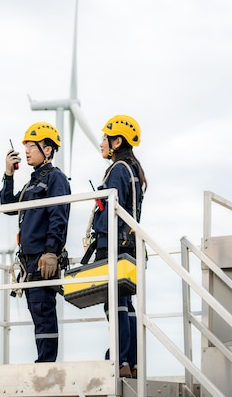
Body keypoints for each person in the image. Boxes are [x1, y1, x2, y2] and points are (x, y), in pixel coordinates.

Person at [0, 121, 71, 363]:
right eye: (26, 146)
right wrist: (8, 174)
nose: (27, 150)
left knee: (43, 311)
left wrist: (51, 251)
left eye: (32, 145)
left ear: (48, 149)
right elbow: (8, 207)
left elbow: (58, 216)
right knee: (36, 311)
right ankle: (44, 362)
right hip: (29, 260)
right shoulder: (32, 183)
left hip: (42, 258)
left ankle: (46, 365)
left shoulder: (56, 179)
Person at [91, 114, 147, 378]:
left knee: (115, 302)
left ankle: (119, 358)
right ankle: (132, 363)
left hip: (113, 241)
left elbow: (112, 207)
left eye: (105, 137)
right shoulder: (135, 169)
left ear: (117, 141)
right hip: (131, 243)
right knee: (127, 302)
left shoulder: (117, 169)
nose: (101, 142)